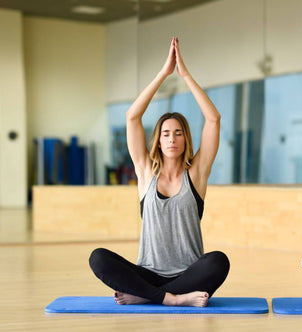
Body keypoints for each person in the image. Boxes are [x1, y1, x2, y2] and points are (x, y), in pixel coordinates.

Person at [89, 37, 229, 307]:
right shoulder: (145, 173)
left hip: (189, 274)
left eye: (178, 133)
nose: (172, 139)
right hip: (148, 273)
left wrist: (185, 75)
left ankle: (147, 297)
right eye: (166, 133)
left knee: (218, 261)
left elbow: (213, 119)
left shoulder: (197, 174)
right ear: (159, 140)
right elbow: (132, 117)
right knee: (98, 257)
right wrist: (163, 74)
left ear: (186, 139)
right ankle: (172, 299)